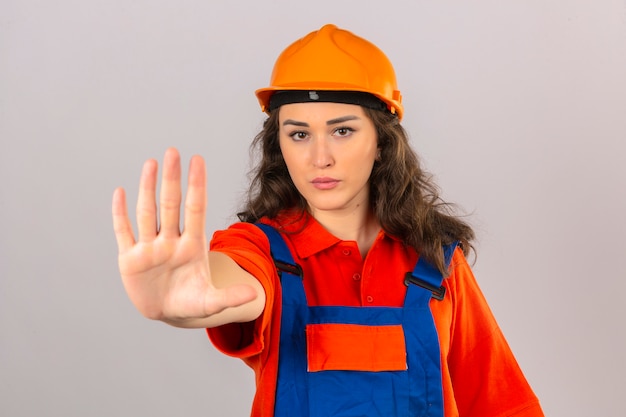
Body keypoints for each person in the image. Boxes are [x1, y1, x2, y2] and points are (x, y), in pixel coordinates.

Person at [112, 24, 544, 417]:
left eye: (342, 130)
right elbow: (238, 285)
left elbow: (501, 405)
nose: (320, 157)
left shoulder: (436, 260)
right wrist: (186, 295)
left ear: (381, 142)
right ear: (280, 146)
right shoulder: (262, 249)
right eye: (299, 134)